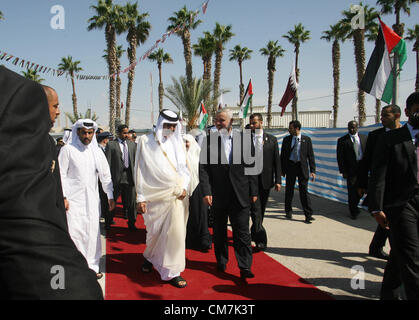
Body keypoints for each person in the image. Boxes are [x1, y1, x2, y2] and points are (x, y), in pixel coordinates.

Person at [0, 66, 103, 299]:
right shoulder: (60, 150)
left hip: (80, 204)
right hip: (66, 207)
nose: (58, 112)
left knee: (90, 234)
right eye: (55, 106)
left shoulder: (50, 144)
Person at [368, 91, 419, 300]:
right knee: (412, 257)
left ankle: (388, 294)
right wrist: (376, 207)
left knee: (399, 254)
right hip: (402, 204)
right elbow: (378, 175)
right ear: (406, 112)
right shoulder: (391, 139)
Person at [199, 108, 258, 280]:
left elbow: (252, 167)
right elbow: (203, 169)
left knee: (242, 232)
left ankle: (245, 266)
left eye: (221, 120)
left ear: (231, 121)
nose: (217, 123)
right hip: (218, 195)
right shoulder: (208, 141)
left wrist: (253, 191)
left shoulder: (245, 140)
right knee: (219, 231)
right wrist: (206, 191)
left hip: (240, 194)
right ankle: (221, 260)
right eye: (216, 120)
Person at [134, 109, 191, 288]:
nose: (170, 129)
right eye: (167, 125)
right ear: (160, 124)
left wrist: (184, 187)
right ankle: (150, 256)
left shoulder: (179, 143)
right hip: (153, 196)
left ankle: (172, 272)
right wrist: (140, 197)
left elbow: (184, 169)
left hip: (176, 196)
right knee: (154, 233)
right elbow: (139, 170)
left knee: (174, 234)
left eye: (173, 126)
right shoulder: (145, 142)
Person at [58, 119, 115, 279]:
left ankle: (92, 265)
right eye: (84, 132)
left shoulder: (96, 151)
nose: (87, 136)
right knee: (75, 232)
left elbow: (105, 174)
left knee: (92, 233)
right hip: (73, 201)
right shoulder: (67, 150)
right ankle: (77, 266)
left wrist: (110, 195)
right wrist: (63, 197)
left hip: (92, 199)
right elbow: (61, 175)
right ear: (78, 132)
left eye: (90, 133)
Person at [358, 105, 402, 260]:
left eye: (386, 115)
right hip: (382, 186)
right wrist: (362, 183)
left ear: (397, 116)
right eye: (381, 115)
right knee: (389, 219)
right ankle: (396, 254)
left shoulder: (406, 135)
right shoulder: (376, 136)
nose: (381, 118)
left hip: (402, 187)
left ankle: (376, 247)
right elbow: (366, 161)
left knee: (389, 218)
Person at [249, 113, 281, 251]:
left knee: (260, 210)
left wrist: (278, 180)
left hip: (266, 180)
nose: (252, 126)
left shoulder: (272, 140)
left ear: (261, 123)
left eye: (254, 123)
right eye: (250, 123)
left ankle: (254, 230)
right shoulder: (245, 139)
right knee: (255, 210)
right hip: (251, 180)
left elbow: (277, 161)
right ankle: (261, 240)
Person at [280, 120, 316, 224]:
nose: (289, 130)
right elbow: (283, 156)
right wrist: (282, 170)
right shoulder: (287, 140)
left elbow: (311, 156)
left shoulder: (306, 140)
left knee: (304, 191)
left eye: (290, 128)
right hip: (291, 167)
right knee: (289, 190)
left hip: (302, 168)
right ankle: (288, 210)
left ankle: (308, 214)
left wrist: (313, 170)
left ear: (297, 129)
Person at [105, 124, 137, 230]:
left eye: (127, 133)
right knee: (113, 200)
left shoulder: (132, 145)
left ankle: (132, 223)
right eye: (124, 133)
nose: (126, 135)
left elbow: (136, 162)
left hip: (129, 177)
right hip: (116, 178)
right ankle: (108, 222)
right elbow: (107, 163)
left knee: (132, 202)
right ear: (118, 133)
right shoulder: (111, 145)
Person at [184, 134, 212, 252]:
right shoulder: (179, 156)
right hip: (184, 189)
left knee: (200, 214)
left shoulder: (199, 155)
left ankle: (203, 240)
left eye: (187, 142)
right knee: (187, 216)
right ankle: (188, 240)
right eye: (183, 142)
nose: (185, 144)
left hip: (199, 188)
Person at [337, 120, 367, 219]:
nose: (351, 129)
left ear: (357, 127)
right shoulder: (342, 140)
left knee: (362, 190)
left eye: (353, 127)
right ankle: (353, 211)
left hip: (362, 168)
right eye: (350, 127)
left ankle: (355, 205)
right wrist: (343, 171)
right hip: (350, 170)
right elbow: (340, 157)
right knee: (352, 191)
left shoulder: (364, 138)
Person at [97, 131, 114, 227]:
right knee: (102, 200)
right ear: (105, 139)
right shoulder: (96, 150)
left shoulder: (107, 149)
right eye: (108, 139)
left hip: (106, 180)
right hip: (98, 181)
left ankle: (108, 219)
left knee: (106, 199)